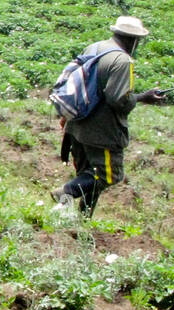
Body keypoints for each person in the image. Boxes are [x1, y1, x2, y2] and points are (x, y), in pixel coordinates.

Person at [52, 15, 167, 215]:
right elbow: (118, 99)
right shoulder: (122, 61)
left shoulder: (95, 48)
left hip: (77, 124)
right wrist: (142, 97)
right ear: (133, 40)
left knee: (88, 175)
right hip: (101, 131)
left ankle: (82, 220)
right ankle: (65, 192)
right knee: (109, 175)